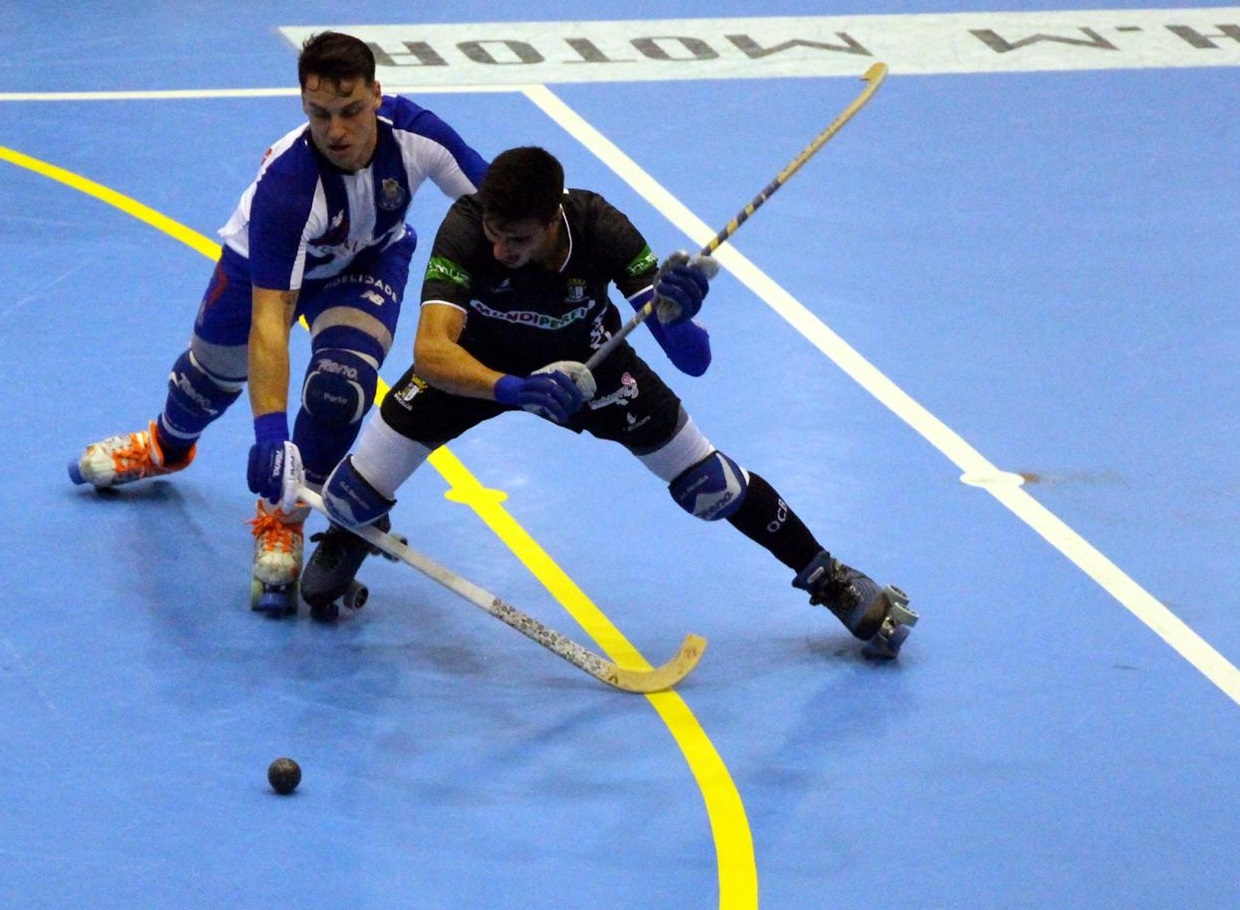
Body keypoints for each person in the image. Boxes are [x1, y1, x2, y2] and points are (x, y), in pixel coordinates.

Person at [302, 146, 917, 658]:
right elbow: (433, 351)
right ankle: (354, 534)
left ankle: (828, 576)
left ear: (553, 219)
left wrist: (677, 313)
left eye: (517, 239)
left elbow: (695, 360)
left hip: (590, 366)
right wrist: (510, 387)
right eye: (494, 232)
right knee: (348, 499)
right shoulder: (467, 225)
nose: (500, 250)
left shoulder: (601, 227)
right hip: (481, 368)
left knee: (709, 486)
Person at [68, 31, 491, 612]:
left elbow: (503, 206)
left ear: (377, 95)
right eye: (319, 113)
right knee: (208, 377)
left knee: (341, 386)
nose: (336, 130)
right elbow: (272, 321)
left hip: (366, 263)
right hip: (261, 266)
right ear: (303, 105)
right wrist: (270, 434)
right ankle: (166, 447)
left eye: (351, 110)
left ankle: (283, 517)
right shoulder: (288, 188)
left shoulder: (417, 135)